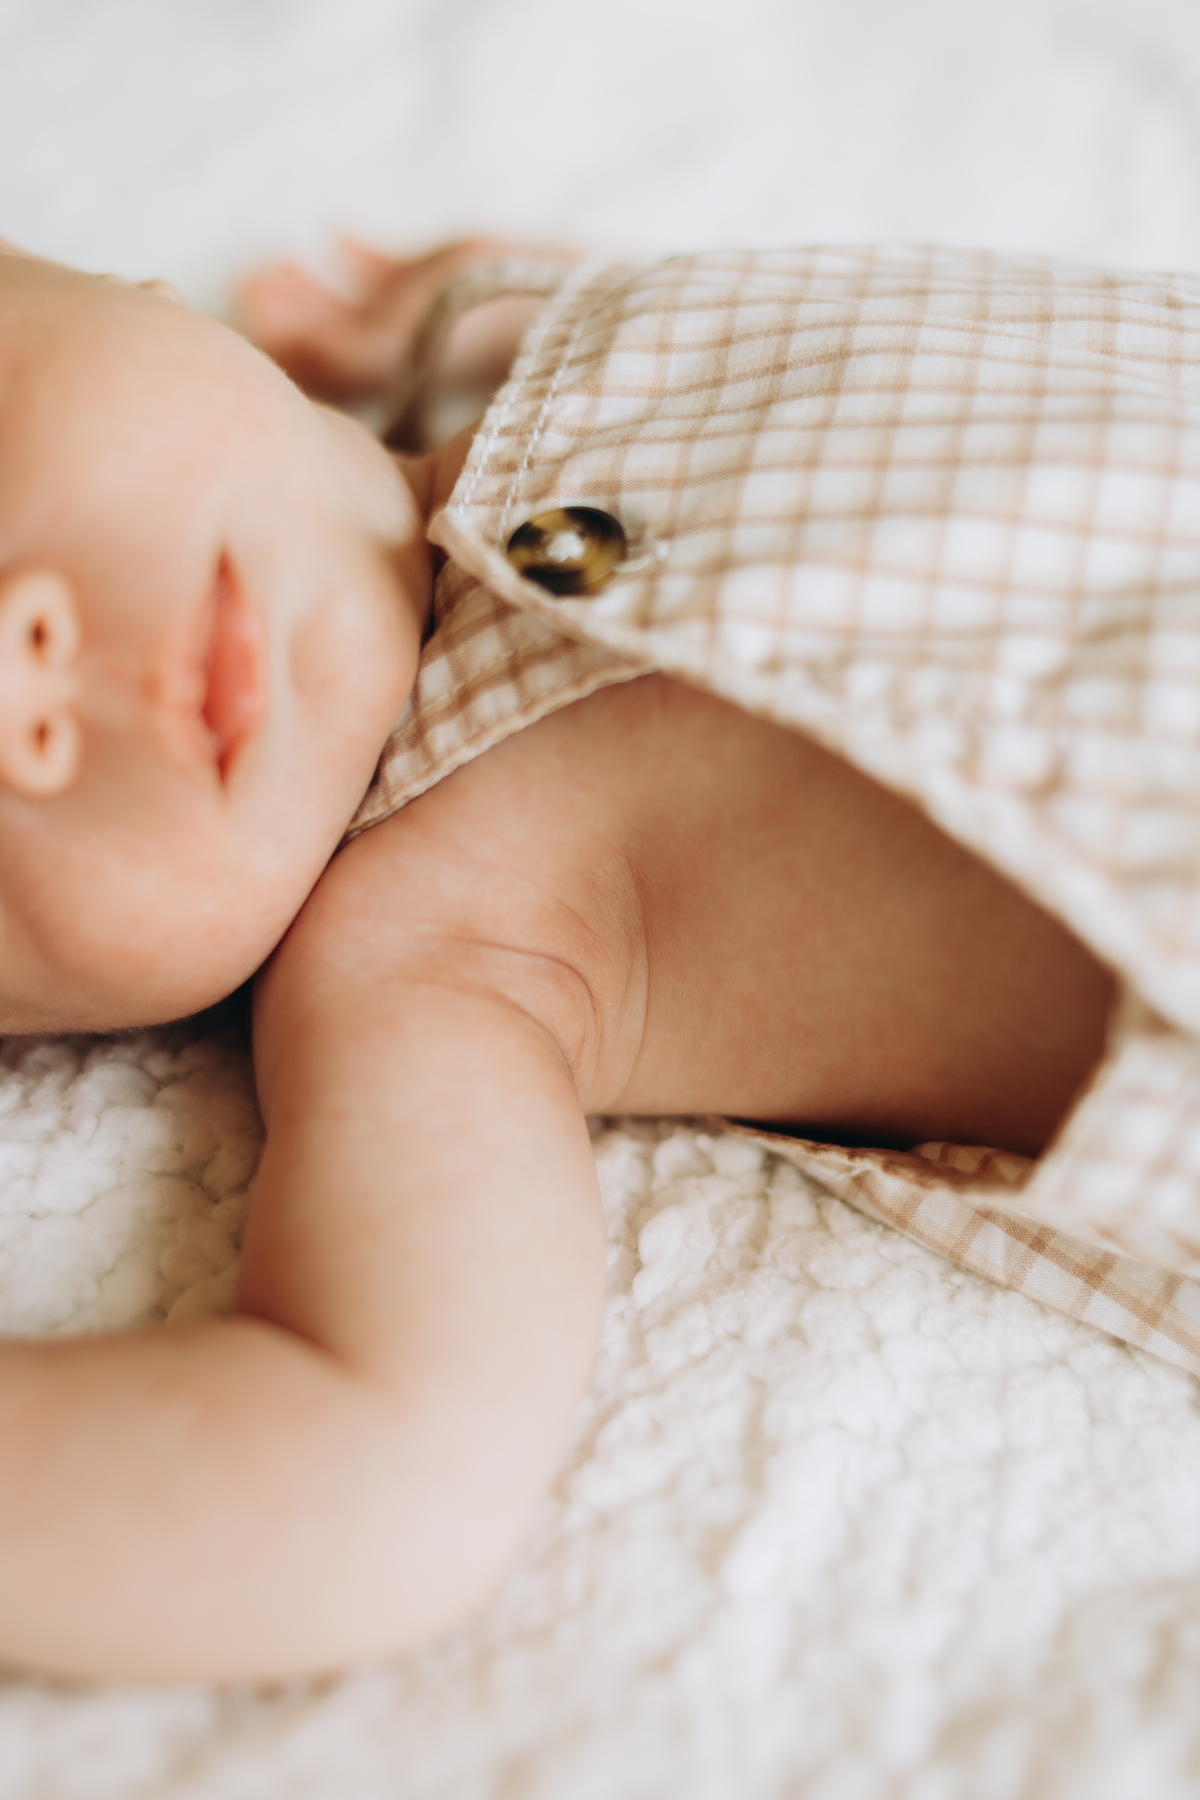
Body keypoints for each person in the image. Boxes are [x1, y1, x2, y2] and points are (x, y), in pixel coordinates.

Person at [0, 231, 1195, 1683]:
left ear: (122, 290)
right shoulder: (439, 943)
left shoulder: (590, 333)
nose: (19, 678)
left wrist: (452, 320)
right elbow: (372, 1473)